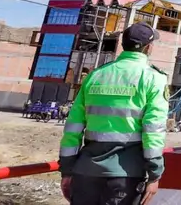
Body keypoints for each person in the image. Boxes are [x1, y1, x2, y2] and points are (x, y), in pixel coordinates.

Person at [59, 23, 168, 205]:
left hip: (85, 171)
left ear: (122, 44)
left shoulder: (95, 75)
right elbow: (153, 131)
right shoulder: (154, 79)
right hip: (126, 175)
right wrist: (155, 174)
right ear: (148, 47)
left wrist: (67, 170)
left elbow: (72, 128)